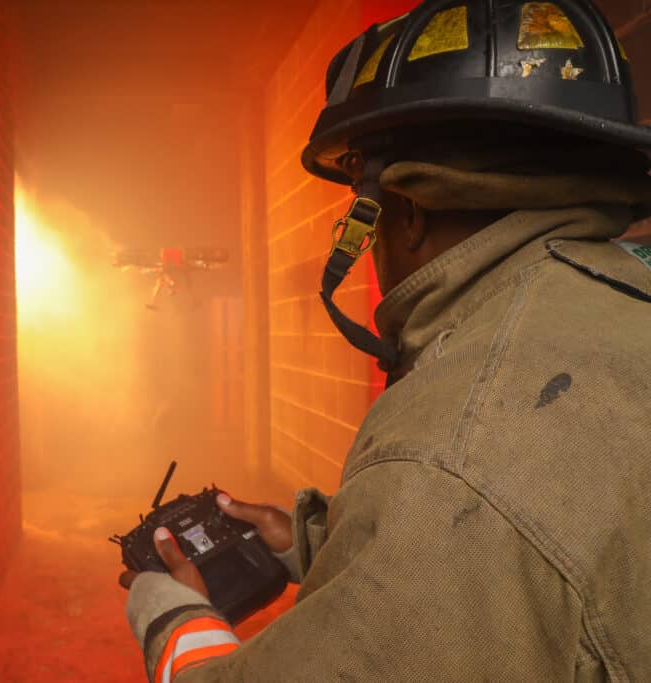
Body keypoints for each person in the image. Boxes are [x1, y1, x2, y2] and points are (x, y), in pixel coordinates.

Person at [118, 1, 651, 680]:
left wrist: (176, 624)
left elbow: (481, 518)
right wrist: (317, 542)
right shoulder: (619, 304)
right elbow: (556, 554)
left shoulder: (453, 455)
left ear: (406, 210)